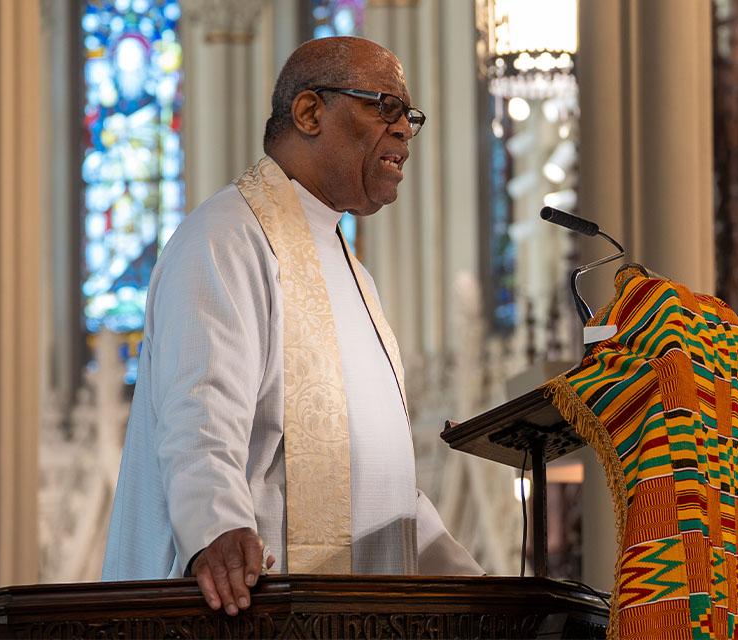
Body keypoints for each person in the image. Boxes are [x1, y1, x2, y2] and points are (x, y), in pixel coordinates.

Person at [102, 36, 482, 616]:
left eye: (411, 115)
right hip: (247, 611)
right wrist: (216, 531)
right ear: (309, 112)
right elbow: (200, 415)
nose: (405, 128)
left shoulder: (354, 274)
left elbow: (381, 480)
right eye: (385, 106)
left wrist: (475, 586)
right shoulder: (226, 238)